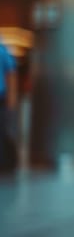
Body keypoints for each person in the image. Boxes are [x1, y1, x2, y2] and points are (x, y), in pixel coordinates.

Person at [0, 43, 17, 172]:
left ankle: (5, 162)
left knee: (3, 130)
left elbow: (11, 74)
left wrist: (12, 97)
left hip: (1, 97)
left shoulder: (3, 51)